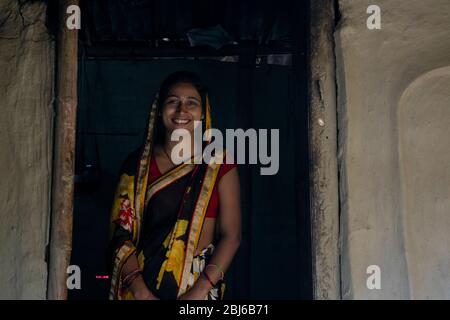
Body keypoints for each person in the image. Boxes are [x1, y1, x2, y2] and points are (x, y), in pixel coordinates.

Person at [108, 71, 241, 300]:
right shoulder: (137, 166)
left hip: (197, 290)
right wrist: (141, 293)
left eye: (192, 103)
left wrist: (198, 292)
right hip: (138, 289)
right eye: (173, 102)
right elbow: (120, 234)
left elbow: (232, 235)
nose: (182, 110)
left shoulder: (219, 164)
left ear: (203, 112)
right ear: (159, 110)